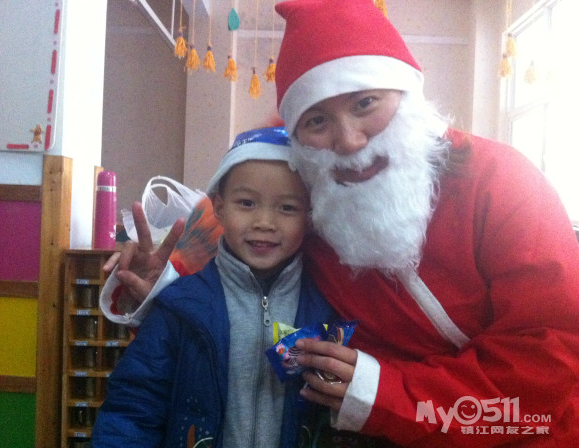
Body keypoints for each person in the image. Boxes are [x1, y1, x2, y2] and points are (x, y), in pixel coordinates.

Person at [101, 0, 579, 446]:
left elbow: (548, 367)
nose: (349, 141)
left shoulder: (504, 183)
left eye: (365, 103)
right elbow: (232, 275)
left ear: (405, 93)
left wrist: (382, 392)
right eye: (317, 121)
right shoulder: (309, 204)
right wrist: (160, 287)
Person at [91, 127, 342, 447]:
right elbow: (134, 408)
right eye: (247, 203)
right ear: (219, 207)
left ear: (309, 216)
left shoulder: (327, 305)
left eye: (287, 208)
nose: (264, 222)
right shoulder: (180, 306)